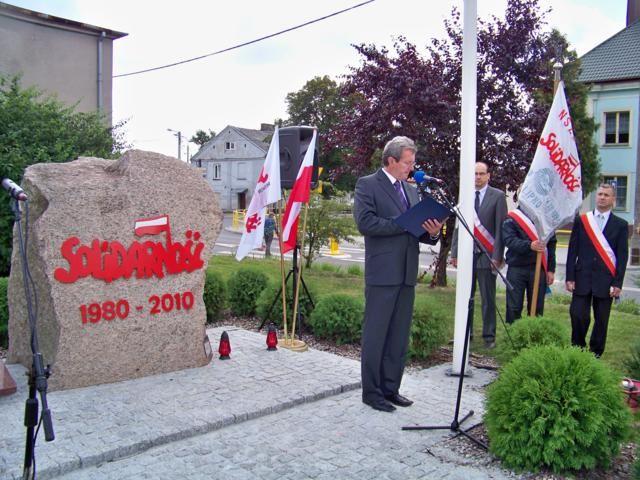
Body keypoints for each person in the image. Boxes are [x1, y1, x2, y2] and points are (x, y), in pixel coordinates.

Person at [353, 136, 443, 413]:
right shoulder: (368, 184)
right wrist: (404, 223)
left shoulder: (412, 190)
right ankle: (372, 392)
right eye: (407, 163)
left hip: (406, 272)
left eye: (413, 162)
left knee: (399, 336)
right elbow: (366, 223)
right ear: (391, 161)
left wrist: (433, 231)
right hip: (382, 273)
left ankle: (391, 388)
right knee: (377, 334)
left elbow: (418, 232)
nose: (411, 168)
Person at [566, 183, 628, 357]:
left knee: (601, 321)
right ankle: (577, 348)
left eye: (606, 195)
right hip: (582, 278)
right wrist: (569, 277)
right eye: (600, 194)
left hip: (605, 280)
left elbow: (622, 257)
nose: (602, 197)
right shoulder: (582, 221)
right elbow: (572, 250)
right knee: (578, 315)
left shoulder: (621, 225)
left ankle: (595, 354)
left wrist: (618, 283)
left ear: (613, 199)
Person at [450, 161, 508, 349]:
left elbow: (501, 228)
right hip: (467, 255)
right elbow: (459, 227)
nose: (478, 177)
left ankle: (489, 336)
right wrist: (455, 252)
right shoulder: (465, 195)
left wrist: (498, 255)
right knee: (466, 296)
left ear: (488, 176)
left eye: (481, 174)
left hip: (487, 255)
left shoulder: (498, 196)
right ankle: (466, 332)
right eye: (475, 174)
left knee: (487, 298)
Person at [502, 207, 557, 323]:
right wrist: (529, 245)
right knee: (514, 307)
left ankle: (533, 338)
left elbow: (551, 243)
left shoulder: (545, 217)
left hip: (538, 268)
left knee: (537, 308)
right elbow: (509, 240)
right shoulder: (512, 217)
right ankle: (514, 337)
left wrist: (551, 269)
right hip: (517, 268)